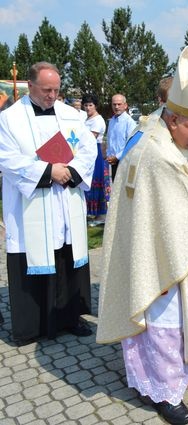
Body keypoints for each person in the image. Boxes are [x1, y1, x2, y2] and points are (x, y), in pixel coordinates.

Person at [96, 48, 188, 425]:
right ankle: (167, 392)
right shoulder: (162, 157)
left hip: (151, 242)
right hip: (159, 251)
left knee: (166, 318)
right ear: (173, 119)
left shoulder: (152, 133)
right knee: (165, 321)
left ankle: (158, 376)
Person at [0, 62, 96, 345]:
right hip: (32, 203)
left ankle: (70, 318)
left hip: (66, 200)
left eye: (56, 90)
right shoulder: (10, 118)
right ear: (29, 87)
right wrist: (47, 172)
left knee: (67, 254)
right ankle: (33, 327)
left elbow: (88, 149)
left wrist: (71, 171)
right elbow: (7, 159)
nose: (52, 95)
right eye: (46, 90)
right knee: (35, 255)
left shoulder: (71, 115)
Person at [82, 93, 110, 226]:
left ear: (95, 106)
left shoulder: (98, 120)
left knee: (96, 181)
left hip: (94, 151)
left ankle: (100, 214)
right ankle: (90, 212)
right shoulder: (86, 119)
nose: (88, 108)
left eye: (90, 105)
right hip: (85, 151)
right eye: (86, 105)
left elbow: (90, 138)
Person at [105, 93, 136, 180]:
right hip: (113, 162)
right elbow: (109, 140)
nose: (116, 107)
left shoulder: (129, 122)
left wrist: (117, 157)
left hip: (124, 161)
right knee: (115, 189)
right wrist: (109, 155)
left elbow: (131, 144)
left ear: (125, 105)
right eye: (114, 104)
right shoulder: (112, 121)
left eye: (119, 104)